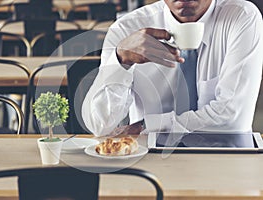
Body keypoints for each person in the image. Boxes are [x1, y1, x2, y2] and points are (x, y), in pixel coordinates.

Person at [82, 0, 263, 137]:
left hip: (227, 158)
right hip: (150, 159)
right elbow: (100, 125)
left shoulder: (242, 17)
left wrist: (147, 126)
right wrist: (122, 61)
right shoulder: (126, 28)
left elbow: (233, 120)